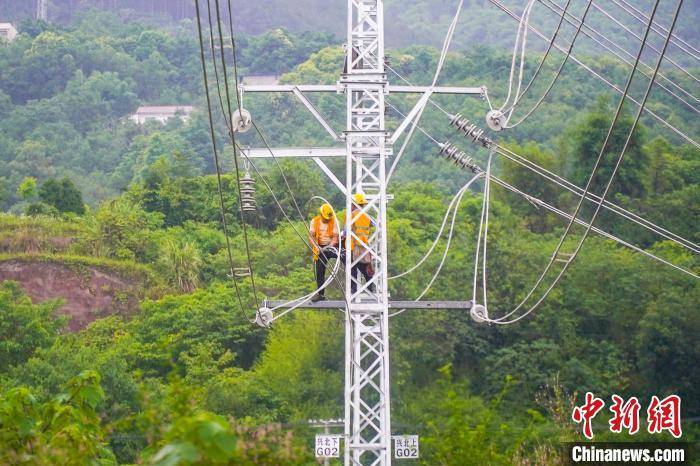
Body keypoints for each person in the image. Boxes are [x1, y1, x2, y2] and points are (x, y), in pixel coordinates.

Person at [309, 203, 339, 302]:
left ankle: (353, 288)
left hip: (331, 246)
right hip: (320, 247)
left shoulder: (334, 221)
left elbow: (335, 237)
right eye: (325, 217)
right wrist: (317, 247)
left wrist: (330, 246)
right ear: (321, 214)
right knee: (319, 271)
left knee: (345, 258)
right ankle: (321, 294)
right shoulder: (315, 221)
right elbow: (311, 236)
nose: (327, 219)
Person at [348, 193, 375, 294]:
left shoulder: (353, 215)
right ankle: (370, 287)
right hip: (364, 245)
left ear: (354, 204)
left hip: (354, 245)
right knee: (365, 267)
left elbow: (347, 230)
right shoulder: (367, 216)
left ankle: (353, 288)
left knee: (352, 265)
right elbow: (374, 224)